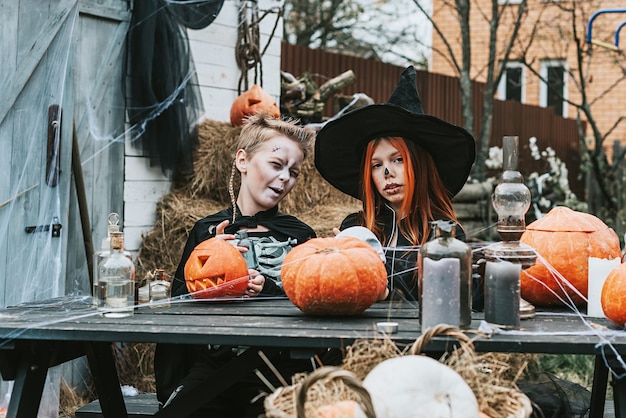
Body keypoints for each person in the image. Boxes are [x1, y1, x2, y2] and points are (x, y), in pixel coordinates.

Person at [155, 113, 331, 418]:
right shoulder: (207, 229)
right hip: (216, 364)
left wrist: (270, 288)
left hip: (280, 368)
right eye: (276, 165)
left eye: (294, 172)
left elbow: (313, 301)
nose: (285, 178)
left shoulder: (300, 234)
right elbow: (178, 302)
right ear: (243, 161)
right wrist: (209, 262)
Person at [314, 66, 476, 302]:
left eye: (398, 159)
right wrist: (337, 259)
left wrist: (385, 290)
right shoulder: (356, 227)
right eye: (376, 165)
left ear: (420, 166)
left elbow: (448, 299)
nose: (388, 172)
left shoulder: (444, 235)